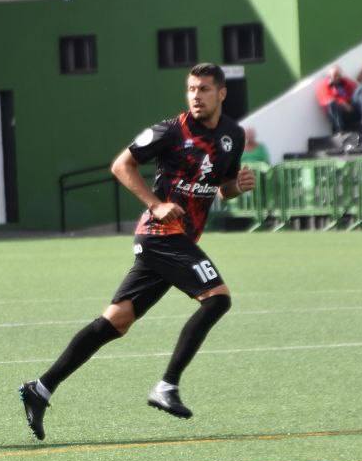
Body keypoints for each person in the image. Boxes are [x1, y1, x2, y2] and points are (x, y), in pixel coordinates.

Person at [18, 63, 256, 440]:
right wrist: (154, 203)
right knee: (217, 298)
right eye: (191, 88)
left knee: (116, 321)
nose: (196, 96)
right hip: (161, 234)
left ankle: (40, 388)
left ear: (221, 93)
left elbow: (223, 187)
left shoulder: (233, 136)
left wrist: (238, 187)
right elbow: (121, 165)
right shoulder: (171, 131)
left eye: (204, 89)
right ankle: (168, 386)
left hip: (179, 241)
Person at [316, 64, 362, 134]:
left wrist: (349, 102)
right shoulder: (324, 86)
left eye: (339, 75)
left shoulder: (345, 81)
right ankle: (340, 130)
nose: (337, 77)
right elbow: (326, 100)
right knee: (332, 104)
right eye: (335, 75)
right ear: (330, 76)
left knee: (360, 89)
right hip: (340, 112)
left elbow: (355, 88)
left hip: (351, 108)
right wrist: (342, 103)